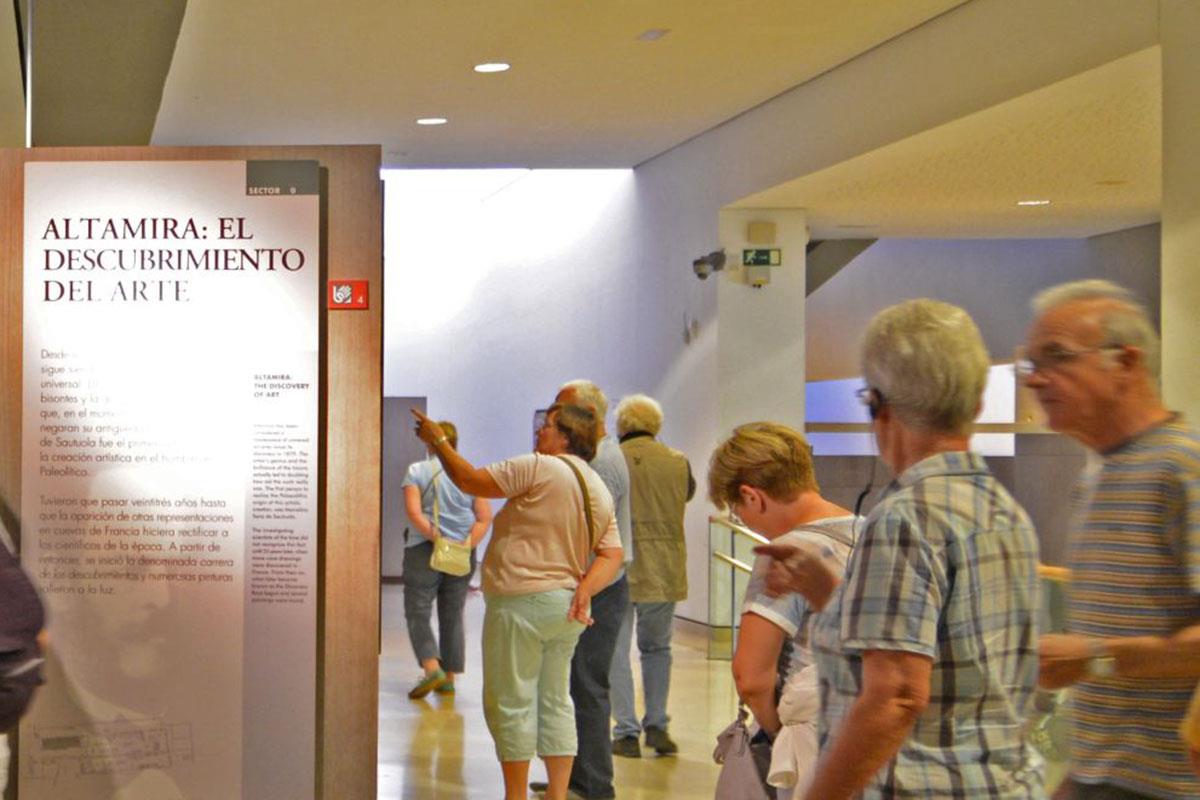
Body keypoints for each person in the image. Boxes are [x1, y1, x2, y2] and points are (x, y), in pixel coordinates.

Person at [757, 298, 1043, 798]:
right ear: (975, 405)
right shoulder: (1005, 512)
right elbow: (957, 651)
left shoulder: (905, 519)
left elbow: (896, 696)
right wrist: (831, 594)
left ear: (879, 406)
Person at [1021, 279, 1200, 800]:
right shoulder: (1101, 471)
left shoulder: (1181, 467)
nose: (1035, 379)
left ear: (1125, 363)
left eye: (1055, 358)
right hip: (1105, 773)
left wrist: (1097, 657)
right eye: (1029, 362)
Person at [411, 404, 623, 800]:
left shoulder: (540, 466)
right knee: (556, 701)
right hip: (565, 608)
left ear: (565, 437)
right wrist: (585, 590)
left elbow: (470, 480)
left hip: (520, 602)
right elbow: (612, 553)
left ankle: (515, 795)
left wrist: (438, 441)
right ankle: (558, 794)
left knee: (511, 701)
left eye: (547, 427)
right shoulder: (596, 486)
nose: (539, 433)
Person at [709, 422, 855, 798]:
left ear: (752, 496)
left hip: (811, 742)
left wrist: (776, 734)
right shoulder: (873, 534)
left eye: (737, 511)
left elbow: (751, 676)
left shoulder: (787, 553)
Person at [532, 379, 630, 799]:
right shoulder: (594, 459)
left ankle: (594, 786)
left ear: (586, 416)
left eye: (561, 410)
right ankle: (572, 778)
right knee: (571, 686)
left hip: (598, 589)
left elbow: (592, 535)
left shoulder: (602, 463)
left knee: (587, 687)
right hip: (591, 586)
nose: (554, 417)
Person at [609, 394, 695, 758]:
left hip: (618, 564)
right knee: (657, 648)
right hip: (664, 563)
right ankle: (657, 724)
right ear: (655, 426)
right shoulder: (678, 462)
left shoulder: (611, 460)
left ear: (621, 425)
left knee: (615, 650)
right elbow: (687, 495)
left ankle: (626, 732)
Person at [400, 420, 492, 698]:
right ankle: (450, 677)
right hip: (462, 552)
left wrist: (436, 537)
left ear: (430, 442)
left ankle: (431, 668)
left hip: (424, 550)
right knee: (453, 613)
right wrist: (466, 543)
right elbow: (484, 517)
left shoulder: (417, 471)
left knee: (418, 609)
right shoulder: (469, 473)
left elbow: (414, 513)